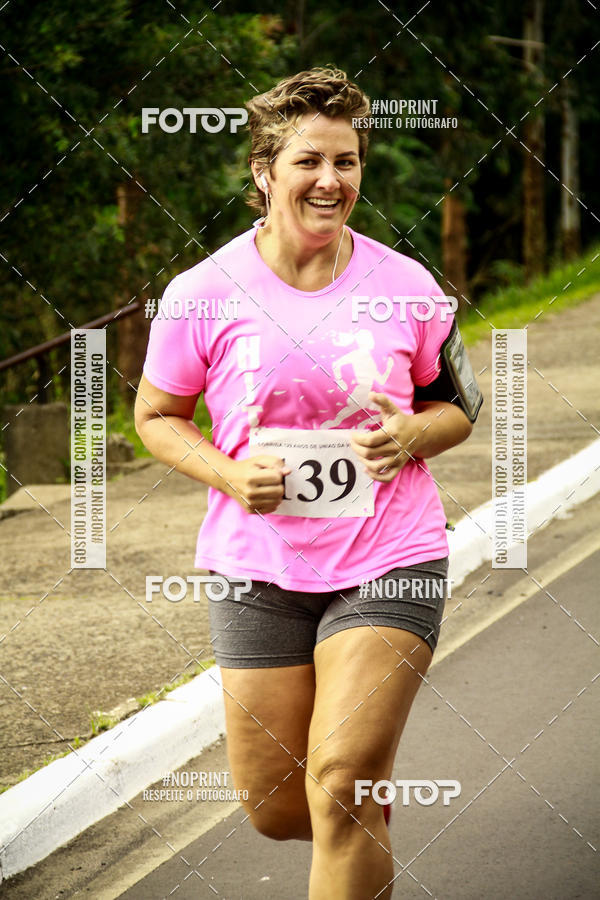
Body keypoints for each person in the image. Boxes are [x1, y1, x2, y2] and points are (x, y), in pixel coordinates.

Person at [135, 67, 478, 899]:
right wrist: (226, 470)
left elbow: (458, 407)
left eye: (348, 162)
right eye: (309, 162)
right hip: (258, 568)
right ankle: (355, 817)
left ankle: (352, 801)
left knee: (338, 779)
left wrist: (413, 431)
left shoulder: (407, 285)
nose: (332, 180)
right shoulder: (203, 294)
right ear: (264, 172)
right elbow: (155, 416)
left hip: (389, 552)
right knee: (279, 808)